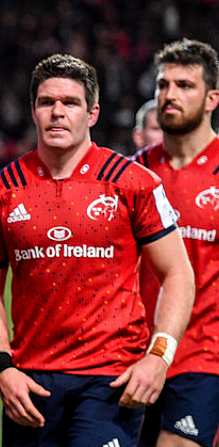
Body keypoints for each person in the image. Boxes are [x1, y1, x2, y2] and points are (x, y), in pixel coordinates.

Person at [0, 53, 195, 446]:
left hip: (110, 380)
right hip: (32, 385)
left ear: (92, 113)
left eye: (70, 103)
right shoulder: (1, 190)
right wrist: (2, 368)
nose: (57, 113)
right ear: (33, 110)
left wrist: (159, 356)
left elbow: (177, 273)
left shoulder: (133, 183)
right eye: (47, 103)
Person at [134, 38, 219, 447]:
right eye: (163, 85)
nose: (170, 95)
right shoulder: (133, 173)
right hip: (133, 355)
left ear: (211, 99)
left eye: (185, 86)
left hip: (204, 356)